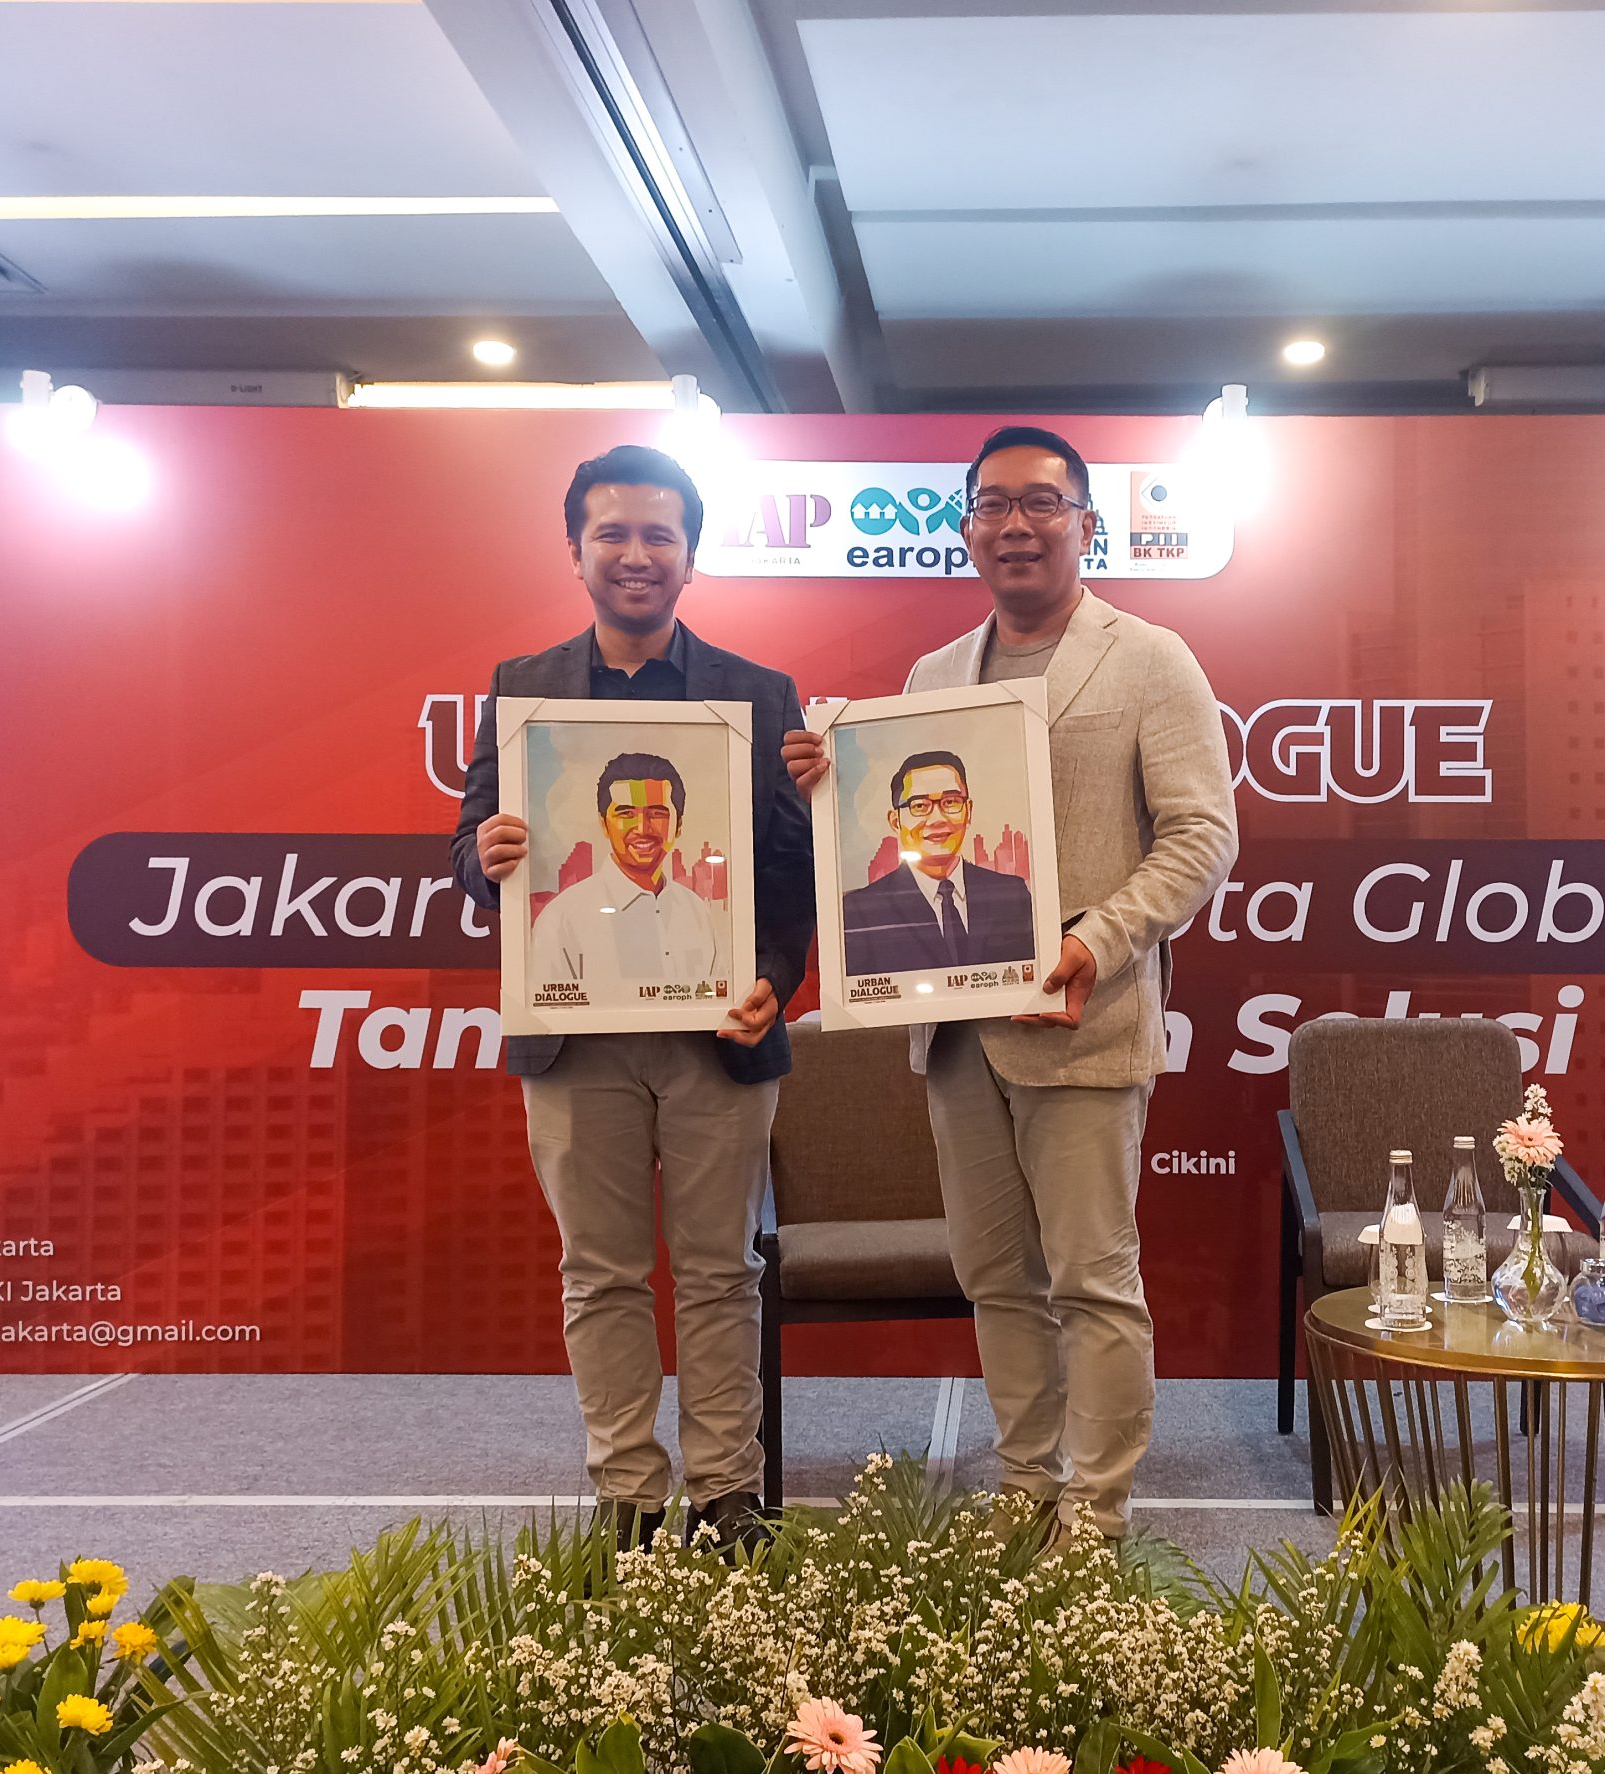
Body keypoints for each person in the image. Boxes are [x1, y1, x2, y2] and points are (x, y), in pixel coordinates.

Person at [784, 425, 1237, 1541]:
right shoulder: (934, 676)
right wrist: (831, 789)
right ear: (966, 528)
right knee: (995, 1274)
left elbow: (1200, 836)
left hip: (1082, 1018)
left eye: (1042, 503)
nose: (1016, 524)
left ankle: (1096, 1506)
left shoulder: (1150, 658)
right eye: (993, 505)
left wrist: (1095, 941)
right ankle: (1026, 1484)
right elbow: (898, 835)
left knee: (1092, 1276)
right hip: (955, 1034)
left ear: (1087, 524)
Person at [453, 444, 815, 1551]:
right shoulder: (522, 689)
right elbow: (467, 852)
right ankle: (629, 1494)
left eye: (660, 534)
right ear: (576, 551)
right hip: (575, 1040)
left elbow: (790, 874)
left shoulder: (758, 695)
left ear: (691, 556)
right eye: (611, 532)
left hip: (719, 1038)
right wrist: (487, 853)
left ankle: (727, 1493)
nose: (636, 553)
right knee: (600, 1273)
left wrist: (775, 980)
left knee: (721, 1273)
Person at [526, 751, 726, 993]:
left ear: (679, 825)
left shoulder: (697, 912)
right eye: (626, 814)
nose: (642, 828)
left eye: (657, 813)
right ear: (604, 824)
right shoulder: (561, 920)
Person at [839, 750, 1034, 976]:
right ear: (895, 821)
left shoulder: (1010, 893)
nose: (937, 819)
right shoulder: (861, 910)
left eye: (950, 802)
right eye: (919, 806)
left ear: (968, 811)